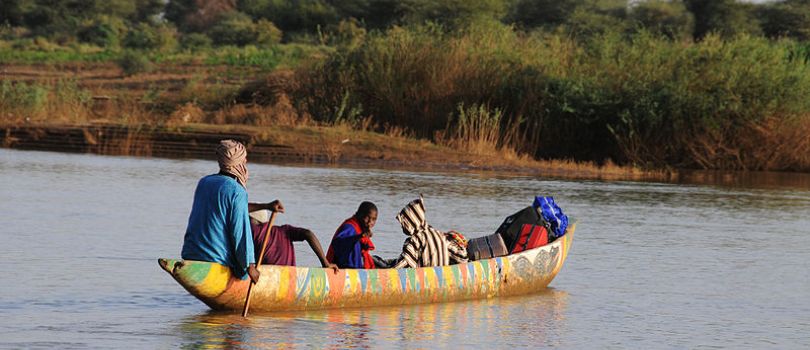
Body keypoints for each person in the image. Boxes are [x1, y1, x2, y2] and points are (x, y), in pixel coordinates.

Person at [180, 139, 282, 283]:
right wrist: (250, 266)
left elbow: (228, 209)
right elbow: (240, 232)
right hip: (216, 259)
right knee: (243, 273)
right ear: (238, 163)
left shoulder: (204, 182)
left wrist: (266, 206)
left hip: (190, 254)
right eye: (244, 160)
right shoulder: (237, 190)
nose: (246, 163)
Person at [391, 196, 468, 269]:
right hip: (440, 278)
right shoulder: (439, 234)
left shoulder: (415, 240)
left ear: (410, 223)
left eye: (404, 224)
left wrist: (388, 269)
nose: (402, 227)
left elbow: (402, 265)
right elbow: (462, 258)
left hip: (424, 279)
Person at [249, 210, 338, 273]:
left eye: (248, 218)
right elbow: (308, 234)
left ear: (253, 219)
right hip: (291, 279)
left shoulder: (252, 230)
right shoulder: (284, 230)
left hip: (270, 277)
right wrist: (325, 263)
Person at [326, 201, 379, 269]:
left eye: (374, 219)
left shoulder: (361, 228)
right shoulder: (350, 226)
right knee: (354, 242)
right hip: (338, 266)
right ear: (359, 214)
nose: (370, 222)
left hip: (354, 266)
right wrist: (360, 236)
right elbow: (338, 243)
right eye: (367, 218)